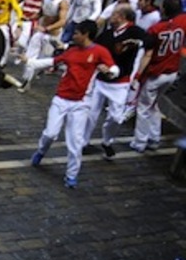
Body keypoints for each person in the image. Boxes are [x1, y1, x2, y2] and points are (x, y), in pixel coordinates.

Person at [23, 20, 118, 188]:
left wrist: (109, 71)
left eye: (76, 33)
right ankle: (41, 151)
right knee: (50, 133)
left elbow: (114, 69)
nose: (73, 36)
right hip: (61, 99)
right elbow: (52, 62)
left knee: (75, 141)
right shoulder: (72, 51)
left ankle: (71, 175)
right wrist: (29, 61)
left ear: (85, 34)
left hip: (81, 103)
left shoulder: (99, 52)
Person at [86, 5, 145, 158]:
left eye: (113, 14)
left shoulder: (136, 33)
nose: (110, 17)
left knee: (115, 117)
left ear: (121, 17)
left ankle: (107, 141)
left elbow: (149, 44)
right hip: (100, 81)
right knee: (91, 113)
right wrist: (98, 65)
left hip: (120, 83)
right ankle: (83, 142)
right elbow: (94, 51)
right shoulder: (106, 35)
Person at [130, 0, 186, 152]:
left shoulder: (156, 29)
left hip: (156, 73)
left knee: (143, 107)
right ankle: (154, 138)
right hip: (172, 72)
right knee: (154, 105)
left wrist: (138, 75)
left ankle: (140, 142)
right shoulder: (183, 21)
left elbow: (148, 54)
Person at [21, 0, 70, 86]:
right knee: (30, 54)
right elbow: (41, 13)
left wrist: (48, 28)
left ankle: (39, 71)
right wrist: (31, 18)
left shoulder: (63, 2)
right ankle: (26, 79)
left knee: (44, 59)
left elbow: (62, 21)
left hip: (52, 35)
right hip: (41, 32)